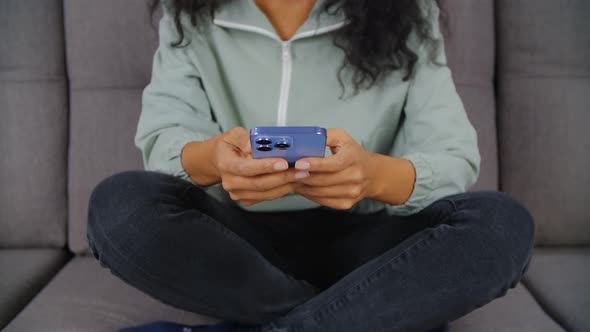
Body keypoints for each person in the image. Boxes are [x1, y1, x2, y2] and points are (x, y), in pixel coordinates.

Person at [87, 0, 535, 331]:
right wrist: (214, 159)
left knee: (503, 225)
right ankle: (359, 317)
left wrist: (372, 175)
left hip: (371, 247)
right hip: (238, 247)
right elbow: (165, 137)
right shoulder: (193, 13)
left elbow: (452, 156)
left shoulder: (409, 13)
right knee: (117, 207)